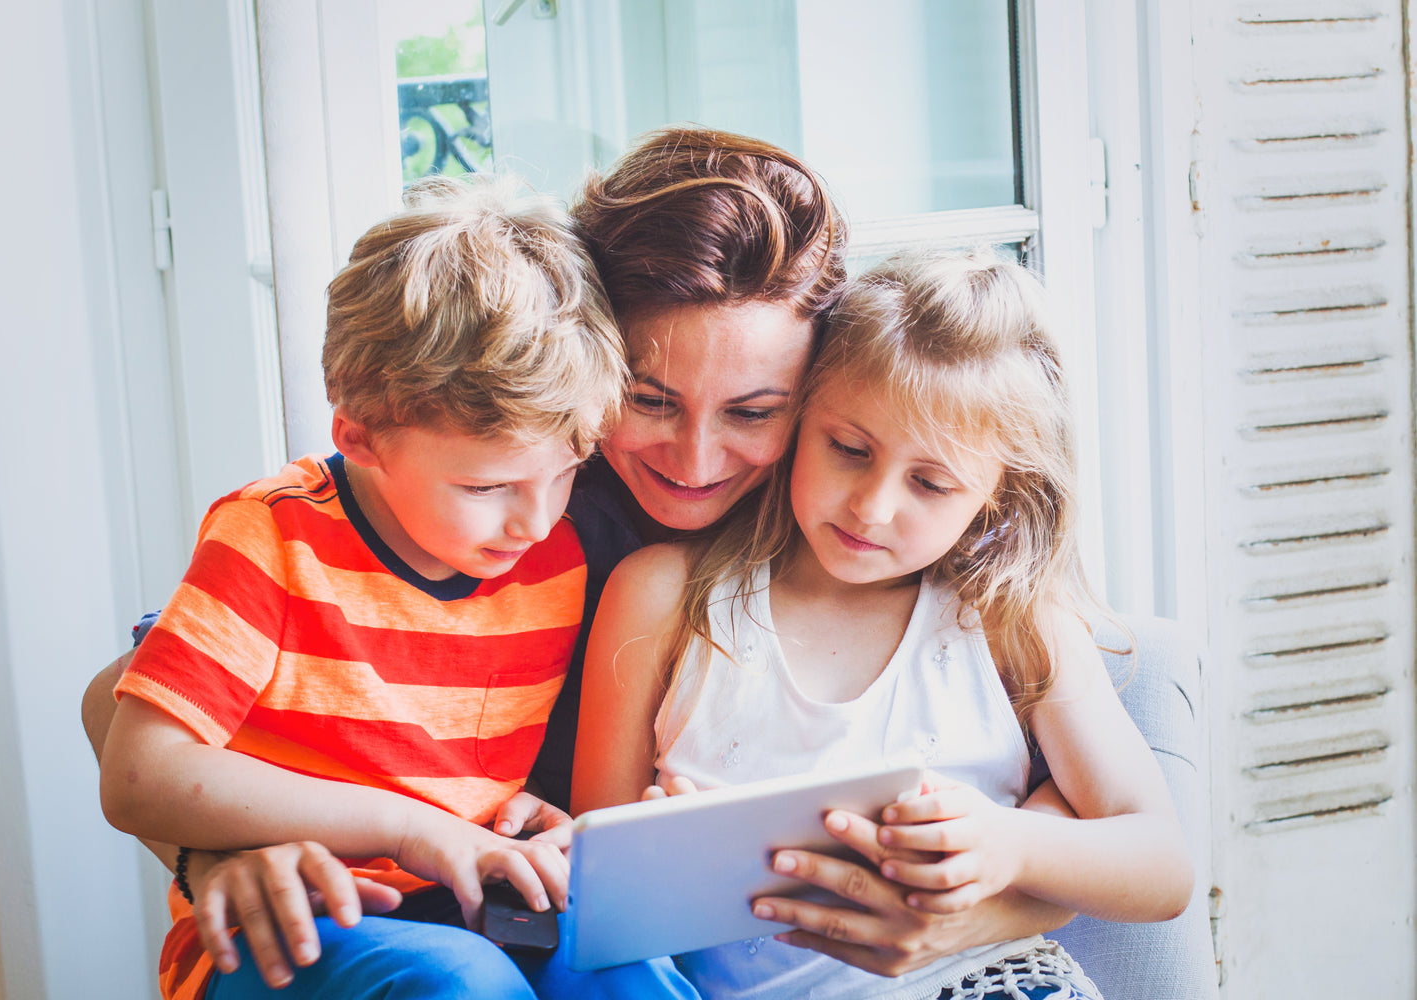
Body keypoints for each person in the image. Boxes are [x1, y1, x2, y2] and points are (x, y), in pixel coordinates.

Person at [83, 128, 1080, 990]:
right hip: (413, 924)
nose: (694, 462)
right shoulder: (519, 501)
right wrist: (213, 851)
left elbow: (1079, 795)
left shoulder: (862, 525)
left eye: (754, 412)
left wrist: (983, 911)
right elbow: (122, 702)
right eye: (647, 401)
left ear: (821, 399)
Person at [96, 173, 698, 1000]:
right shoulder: (272, 536)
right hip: (295, 925)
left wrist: (540, 824)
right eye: (488, 489)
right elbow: (137, 772)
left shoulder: (556, 549)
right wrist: (413, 831)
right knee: (461, 983)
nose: (534, 521)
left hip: (481, 905)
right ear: (362, 435)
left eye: (567, 473)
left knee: (630, 975)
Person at [572, 249, 1195, 999]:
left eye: (930, 483)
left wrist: (1011, 845)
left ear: (996, 496)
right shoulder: (663, 596)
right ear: (801, 421)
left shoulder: (1008, 617)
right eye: (849, 450)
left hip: (987, 981)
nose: (872, 507)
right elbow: (596, 896)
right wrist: (669, 861)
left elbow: (1162, 867)